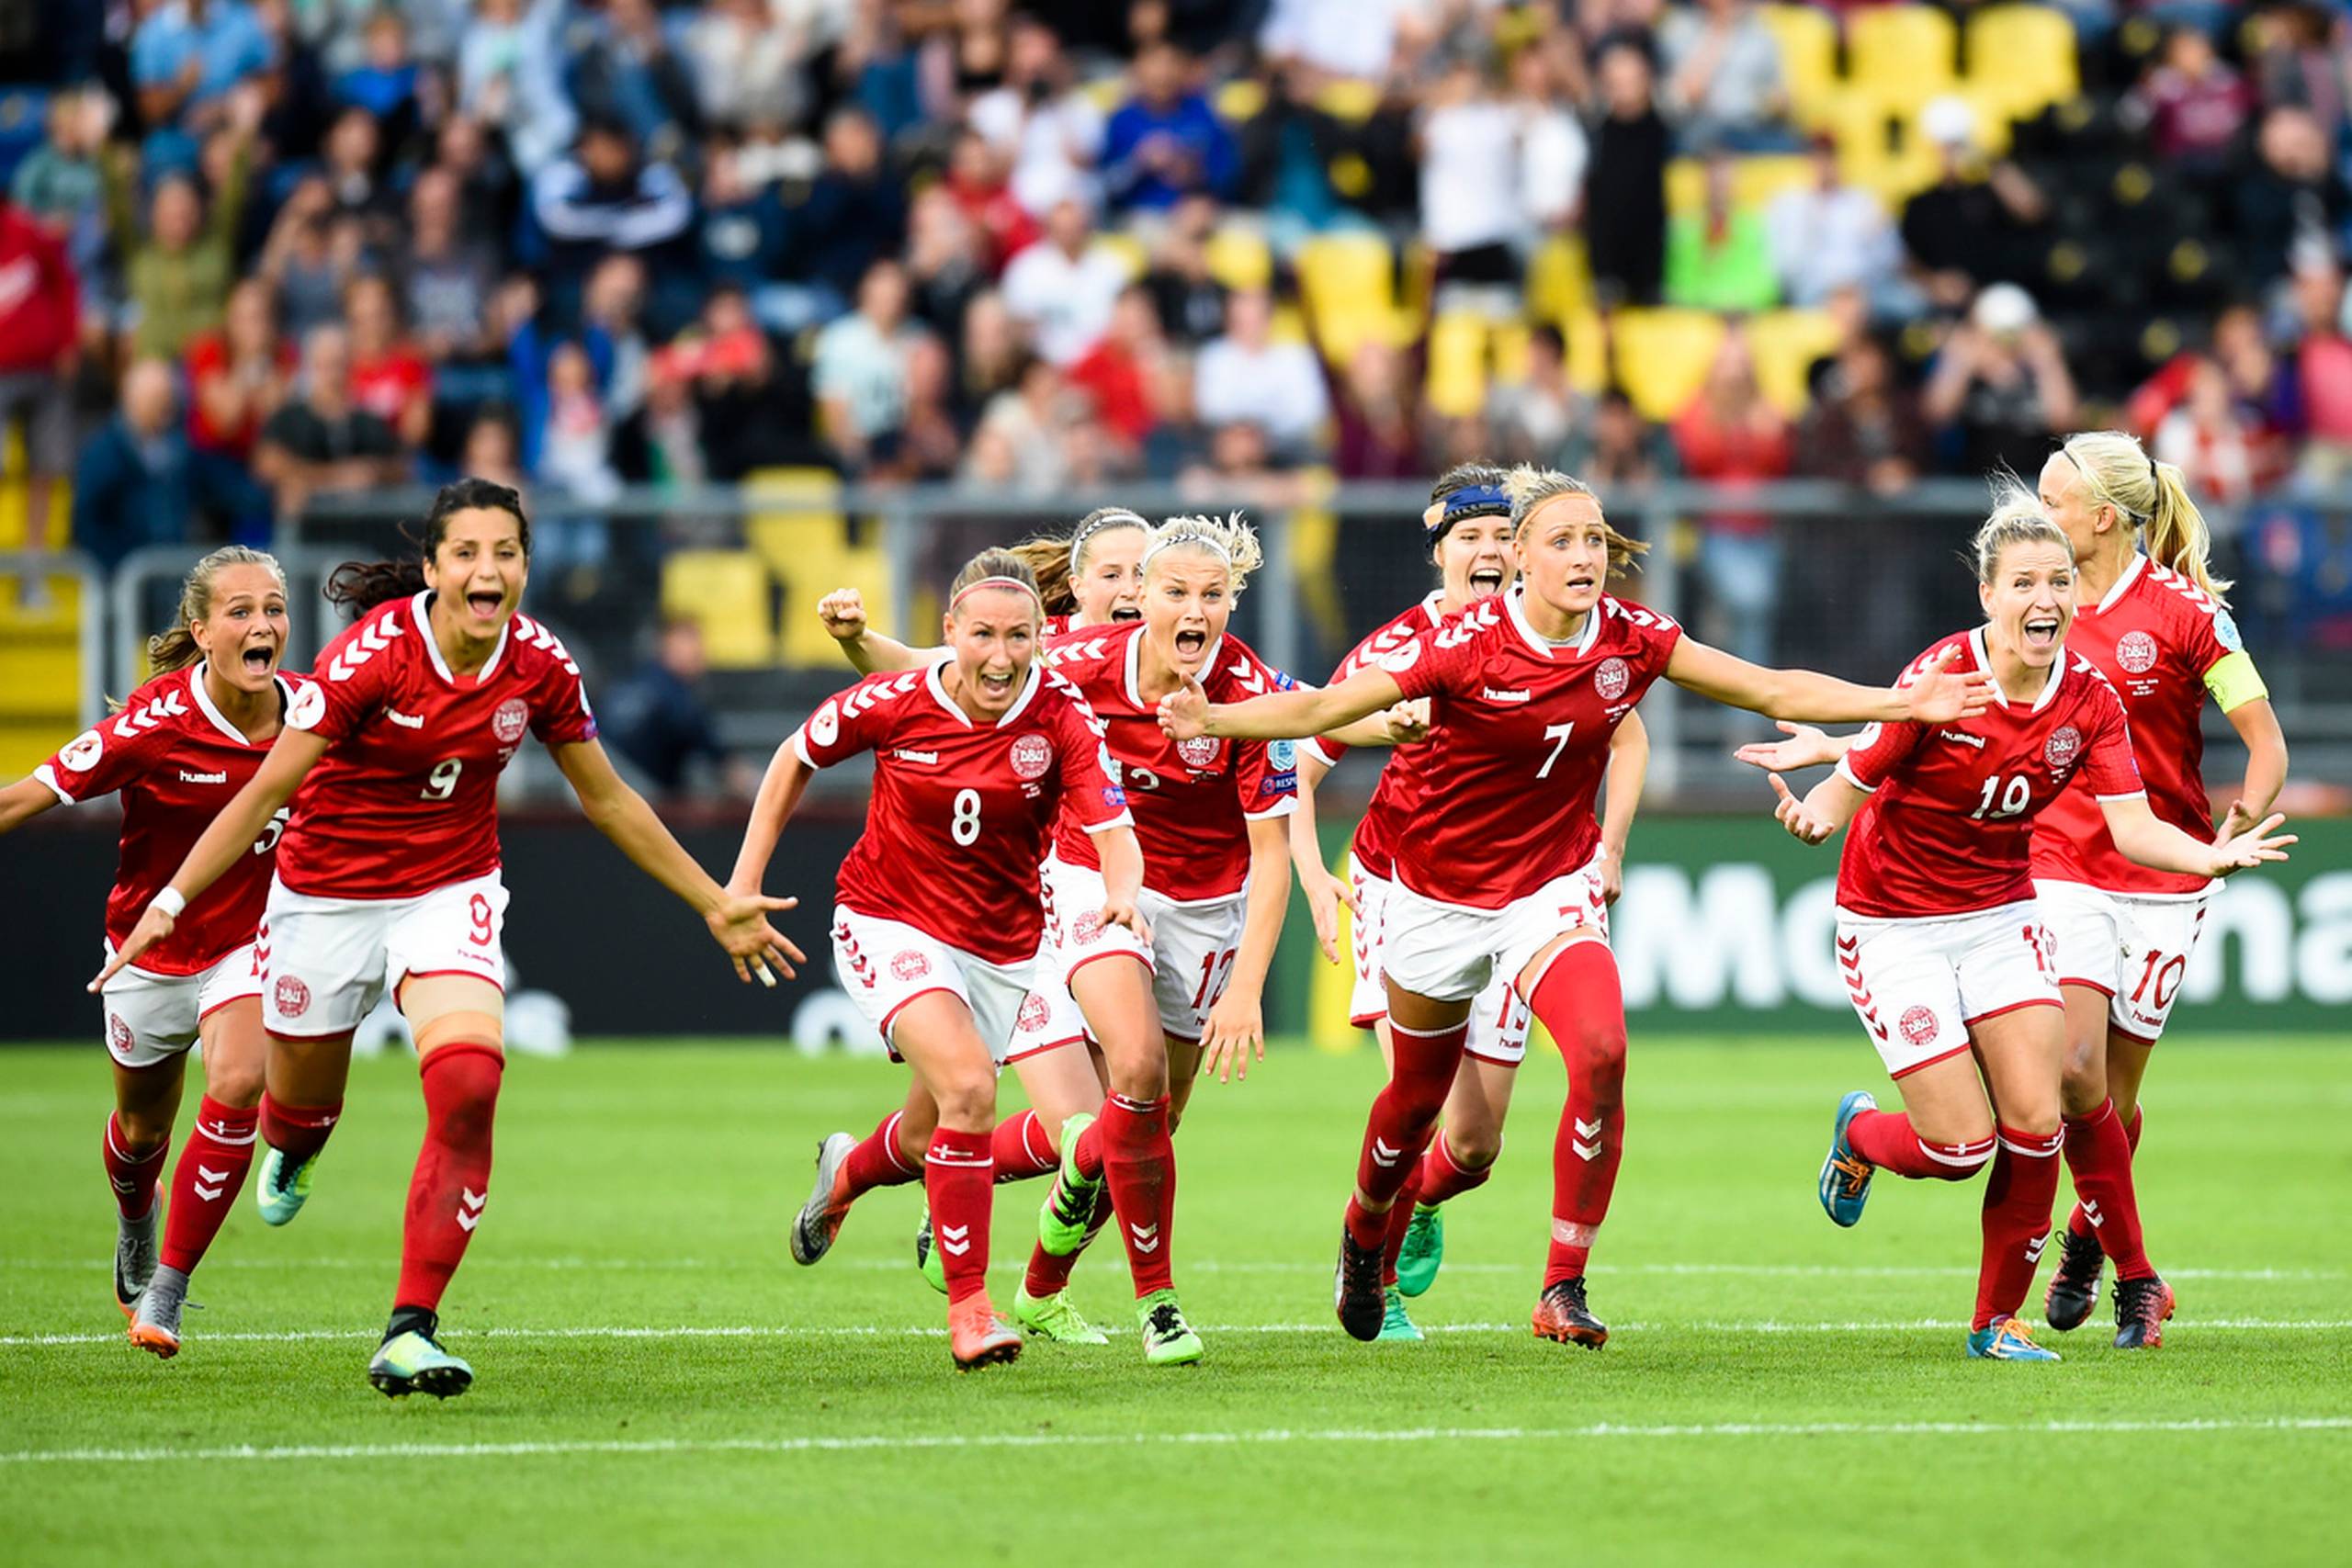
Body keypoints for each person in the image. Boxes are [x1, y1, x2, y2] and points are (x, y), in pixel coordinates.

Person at [1156, 465, 2007, 1348]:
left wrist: (1906, 702)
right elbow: (1328, 709)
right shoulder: (1459, 644)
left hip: (1549, 885)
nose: (1584, 556)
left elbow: (1771, 688)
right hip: (1435, 896)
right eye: (1561, 540)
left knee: (1601, 1051)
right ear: (1522, 558)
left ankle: (1562, 1283)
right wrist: (1212, 722)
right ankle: (1366, 1229)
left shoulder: (1630, 637)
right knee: (1417, 1104)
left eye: (1594, 539)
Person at [92, 479, 800, 1400]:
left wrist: (713, 899)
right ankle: (294, 1150)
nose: (486, 569)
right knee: (295, 1111)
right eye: (465, 551)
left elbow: (607, 797)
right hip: (325, 899)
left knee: (469, 1083)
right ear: (432, 568)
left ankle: (408, 1329)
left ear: (525, 567)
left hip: (449, 889)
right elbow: (266, 790)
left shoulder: (539, 664)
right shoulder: (367, 660)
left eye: (504, 551)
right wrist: (174, 898)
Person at [1750, 491, 2291, 1360]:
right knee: (1960, 1145)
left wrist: (2210, 855)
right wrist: (1813, 815)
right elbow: (1853, 780)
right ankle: (1860, 1134)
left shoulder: (2089, 698)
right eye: (2025, 584)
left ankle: (1995, 1321)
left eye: (2059, 582)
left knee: (2039, 1120)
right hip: (1894, 923)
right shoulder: (1941, 681)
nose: (2046, 599)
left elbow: (2133, 826)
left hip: (2003, 914)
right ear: (1989, 595)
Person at [729, 550, 1144, 1370]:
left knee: (930, 1132)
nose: (1001, 655)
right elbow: (794, 756)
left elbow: (1112, 827)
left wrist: (1123, 891)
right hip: (887, 919)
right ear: (949, 630)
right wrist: (744, 882)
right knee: (971, 1087)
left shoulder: (1059, 712)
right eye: (982, 634)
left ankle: (846, 1173)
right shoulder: (896, 699)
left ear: (1040, 636)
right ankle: (971, 1312)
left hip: (999, 948)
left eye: (1019, 636)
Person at [1287, 465, 1649, 1340]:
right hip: (1408, 888)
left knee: (1476, 1146)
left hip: (1528, 884)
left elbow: (1628, 731)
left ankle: (1419, 1208)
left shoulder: (1561, 632)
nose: (1486, 551)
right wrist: (1309, 871)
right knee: (1418, 1107)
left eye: (1498, 536)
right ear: (1440, 550)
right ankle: (1373, 1270)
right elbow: (1303, 752)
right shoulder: (1402, 646)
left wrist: (1610, 841)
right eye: (1468, 537)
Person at [0, 548, 298, 1356]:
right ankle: (137, 1216)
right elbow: (27, 794)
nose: (262, 624)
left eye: (273, 607)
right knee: (139, 1132)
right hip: (147, 951)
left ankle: (167, 1289)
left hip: (249, 943)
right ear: (200, 630)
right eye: (240, 611)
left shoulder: (311, 717)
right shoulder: (155, 723)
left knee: (238, 1080)